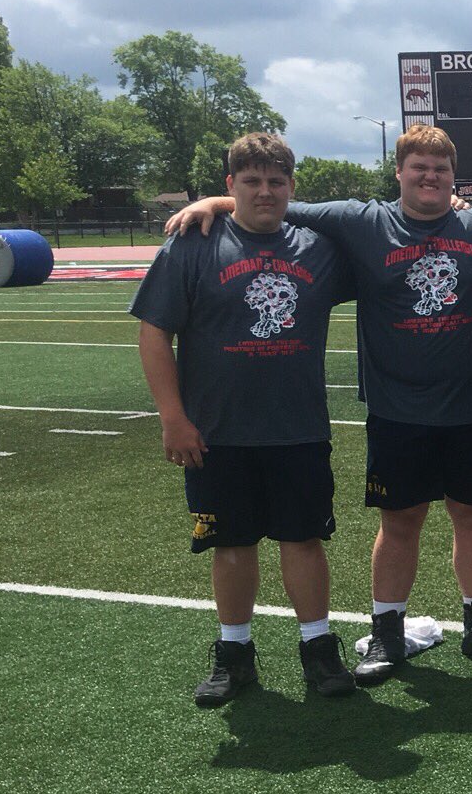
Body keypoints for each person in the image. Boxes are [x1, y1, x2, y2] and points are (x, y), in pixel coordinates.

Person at [162, 128, 472, 684]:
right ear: (398, 173)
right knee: (399, 522)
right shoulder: (362, 221)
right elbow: (281, 202)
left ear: (455, 176)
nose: (429, 177)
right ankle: (386, 631)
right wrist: (217, 201)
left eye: (440, 168)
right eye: (418, 167)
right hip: (396, 406)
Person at [132, 131, 358, 708]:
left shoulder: (318, 248)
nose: (265, 192)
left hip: (297, 426)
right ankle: (235, 655)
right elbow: (154, 331)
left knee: (303, 539)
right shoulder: (193, 243)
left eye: (276, 181)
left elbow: (386, 232)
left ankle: (318, 648)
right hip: (217, 430)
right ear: (230, 185)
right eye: (251, 182)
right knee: (231, 543)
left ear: (290, 187)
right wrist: (172, 418)